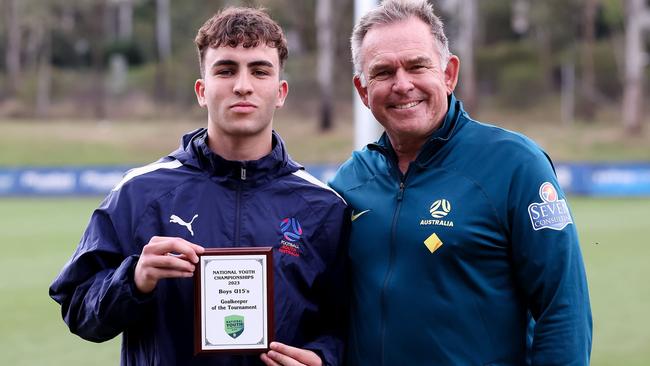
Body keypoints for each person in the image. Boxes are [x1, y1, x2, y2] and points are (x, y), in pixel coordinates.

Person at [50, 7, 348, 366]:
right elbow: (78, 307)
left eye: (259, 70)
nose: (242, 85)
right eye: (225, 70)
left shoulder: (323, 206)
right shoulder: (140, 193)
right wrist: (134, 278)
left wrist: (323, 359)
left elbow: (349, 326)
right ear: (202, 90)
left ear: (281, 91)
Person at [329, 0, 592, 365]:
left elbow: (563, 309)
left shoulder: (516, 165)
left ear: (449, 73)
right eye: (383, 72)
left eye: (417, 66)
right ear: (362, 89)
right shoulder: (349, 182)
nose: (402, 84)